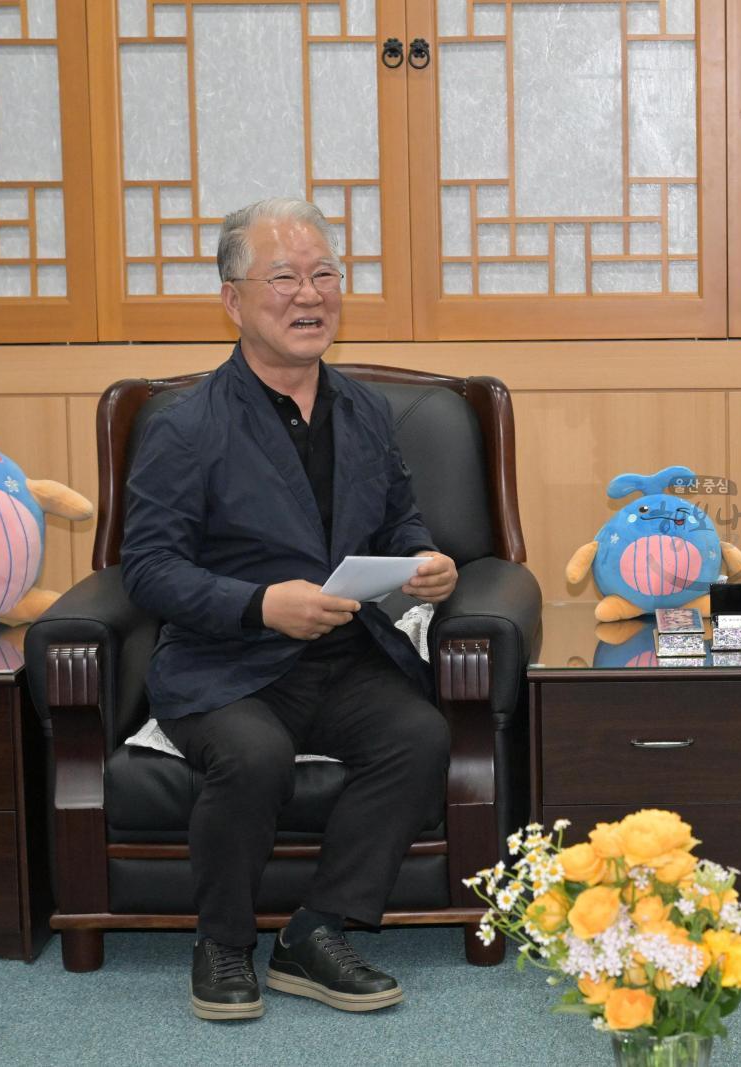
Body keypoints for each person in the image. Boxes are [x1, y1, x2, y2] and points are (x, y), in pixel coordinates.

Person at [121, 197, 459, 1022]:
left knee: (418, 734)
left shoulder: (366, 410)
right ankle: (223, 941)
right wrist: (257, 605)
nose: (309, 296)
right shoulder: (184, 425)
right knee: (254, 756)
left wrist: (425, 560)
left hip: (341, 656)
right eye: (284, 278)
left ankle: (315, 930)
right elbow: (148, 568)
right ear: (234, 301)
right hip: (224, 667)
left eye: (323, 275)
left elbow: (399, 519)